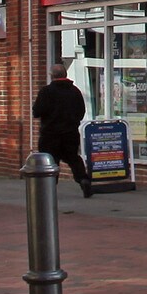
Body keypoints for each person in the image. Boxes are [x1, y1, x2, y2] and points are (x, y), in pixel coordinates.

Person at [31, 63, 92, 198]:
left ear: (52, 76)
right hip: (70, 133)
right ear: (65, 75)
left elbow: (37, 111)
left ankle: (49, 189)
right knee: (73, 158)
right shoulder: (75, 91)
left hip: (50, 134)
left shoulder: (46, 91)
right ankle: (83, 179)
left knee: (50, 162)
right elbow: (81, 112)